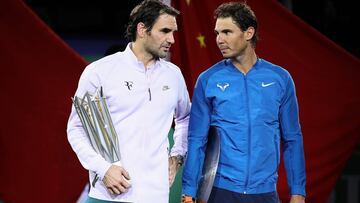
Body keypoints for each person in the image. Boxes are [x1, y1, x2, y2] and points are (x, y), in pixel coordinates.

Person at [181, 2, 306, 203]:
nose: (219, 40)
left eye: (227, 32)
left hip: (265, 193)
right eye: (217, 33)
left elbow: (292, 138)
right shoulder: (208, 80)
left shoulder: (280, 78)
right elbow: (196, 140)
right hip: (220, 191)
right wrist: (188, 192)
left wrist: (298, 191)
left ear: (248, 33)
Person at [67, 1, 191, 202]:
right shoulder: (100, 71)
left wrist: (177, 156)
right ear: (142, 29)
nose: (172, 39)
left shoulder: (174, 75)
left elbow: (185, 119)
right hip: (108, 196)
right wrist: (103, 168)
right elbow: (76, 129)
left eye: (173, 32)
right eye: (165, 31)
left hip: (156, 195)